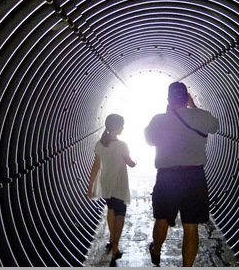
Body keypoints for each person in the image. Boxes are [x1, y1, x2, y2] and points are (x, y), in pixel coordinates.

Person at [144, 82, 219, 267]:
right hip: (194, 178)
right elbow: (215, 127)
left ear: (169, 100)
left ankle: (156, 250)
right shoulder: (202, 116)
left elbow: (149, 140)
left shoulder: (158, 119)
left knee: (162, 217)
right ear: (187, 98)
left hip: (167, 177)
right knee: (191, 226)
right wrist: (194, 107)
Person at [87, 113, 137, 266]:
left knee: (111, 210)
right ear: (117, 127)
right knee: (120, 214)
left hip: (106, 184)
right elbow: (131, 163)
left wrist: (90, 187)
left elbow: (95, 167)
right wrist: (135, 161)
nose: (123, 127)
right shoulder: (122, 145)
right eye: (122, 125)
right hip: (119, 185)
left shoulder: (100, 144)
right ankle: (115, 246)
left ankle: (111, 239)